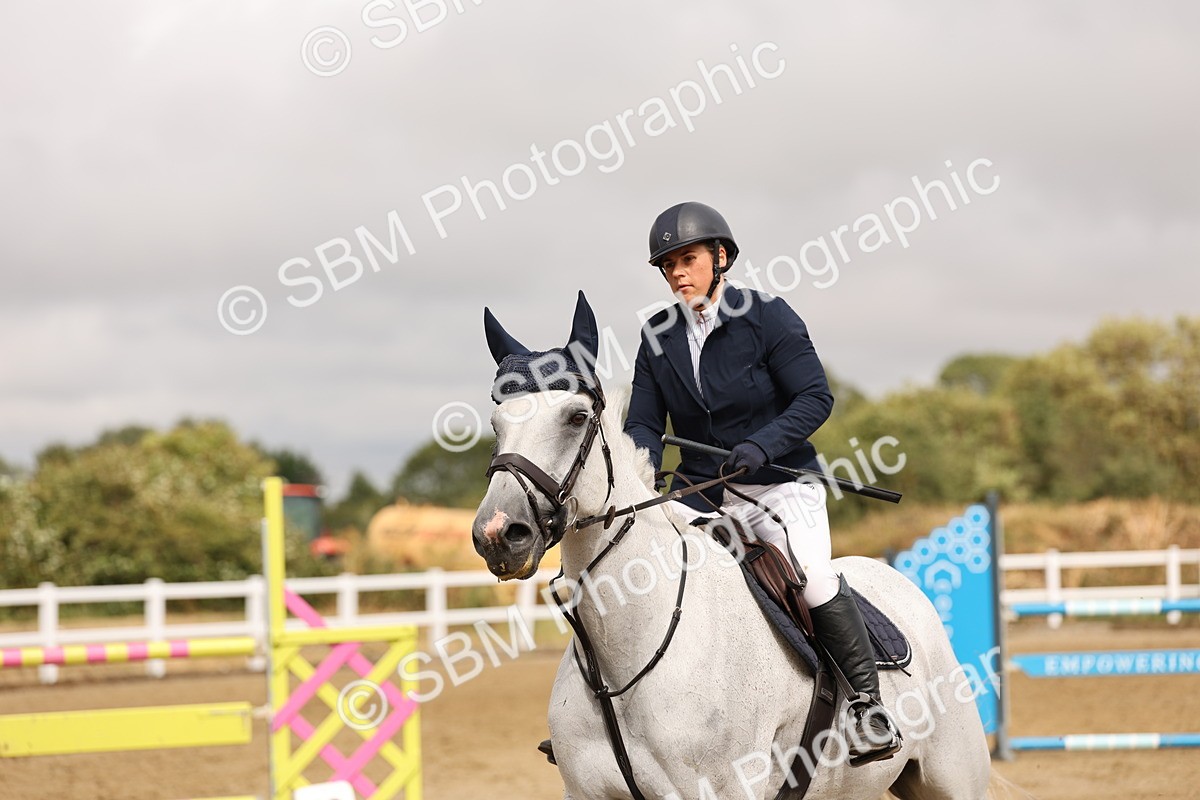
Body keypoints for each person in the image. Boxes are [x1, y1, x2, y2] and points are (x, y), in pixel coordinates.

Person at [623, 201, 902, 766]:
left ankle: (868, 707)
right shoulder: (657, 336)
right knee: (648, 585)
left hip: (777, 486)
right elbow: (645, 423)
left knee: (814, 579)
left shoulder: (768, 317)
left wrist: (762, 446)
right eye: (668, 265)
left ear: (720, 257)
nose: (678, 273)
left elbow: (814, 397)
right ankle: (622, 719)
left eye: (689, 259)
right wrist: (643, 470)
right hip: (699, 497)